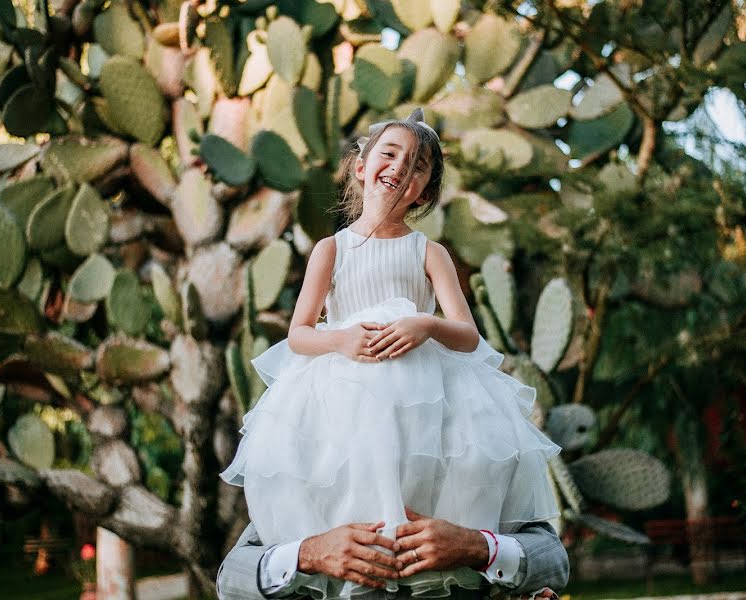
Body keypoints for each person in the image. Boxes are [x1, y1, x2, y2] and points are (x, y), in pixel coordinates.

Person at [218, 109, 568, 600]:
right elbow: (299, 334)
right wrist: (340, 338)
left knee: (441, 469)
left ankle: (439, 566)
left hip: (428, 394)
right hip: (345, 392)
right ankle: (349, 568)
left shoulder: (429, 251)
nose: (402, 166)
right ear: (360, 167)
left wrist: (425, 323)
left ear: (423, 191)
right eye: (390, 153)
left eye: (419, 164)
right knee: (351, 468)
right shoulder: (331, 249)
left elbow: (467, 335)